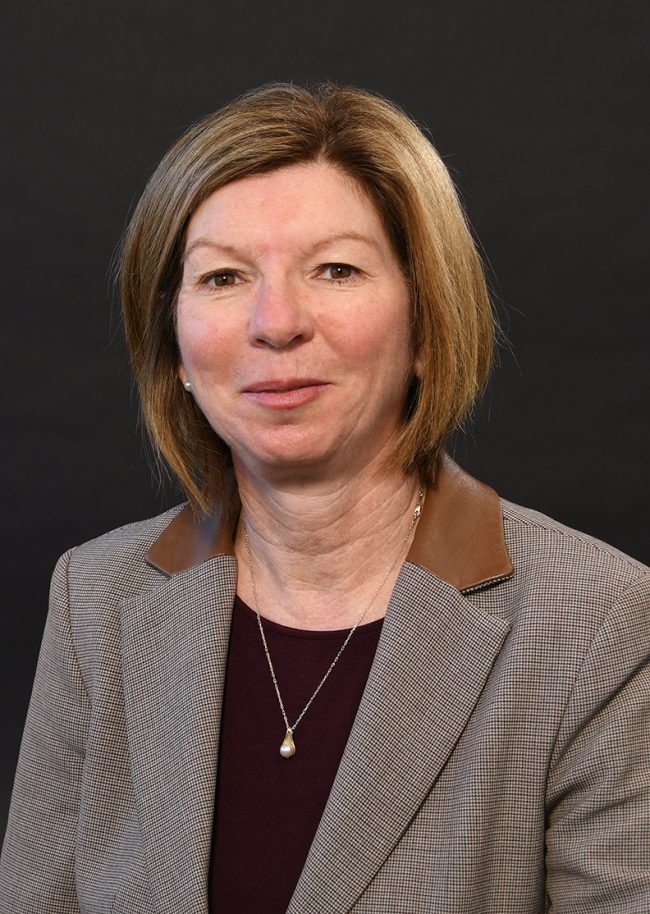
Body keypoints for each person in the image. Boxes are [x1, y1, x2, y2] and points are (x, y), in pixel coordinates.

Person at [0, 82, 648, 914]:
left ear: (427, 323)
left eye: (335, 269)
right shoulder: (94, 599)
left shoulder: (598, 623)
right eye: (224, 276)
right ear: (176, 350)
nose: (276, 322)